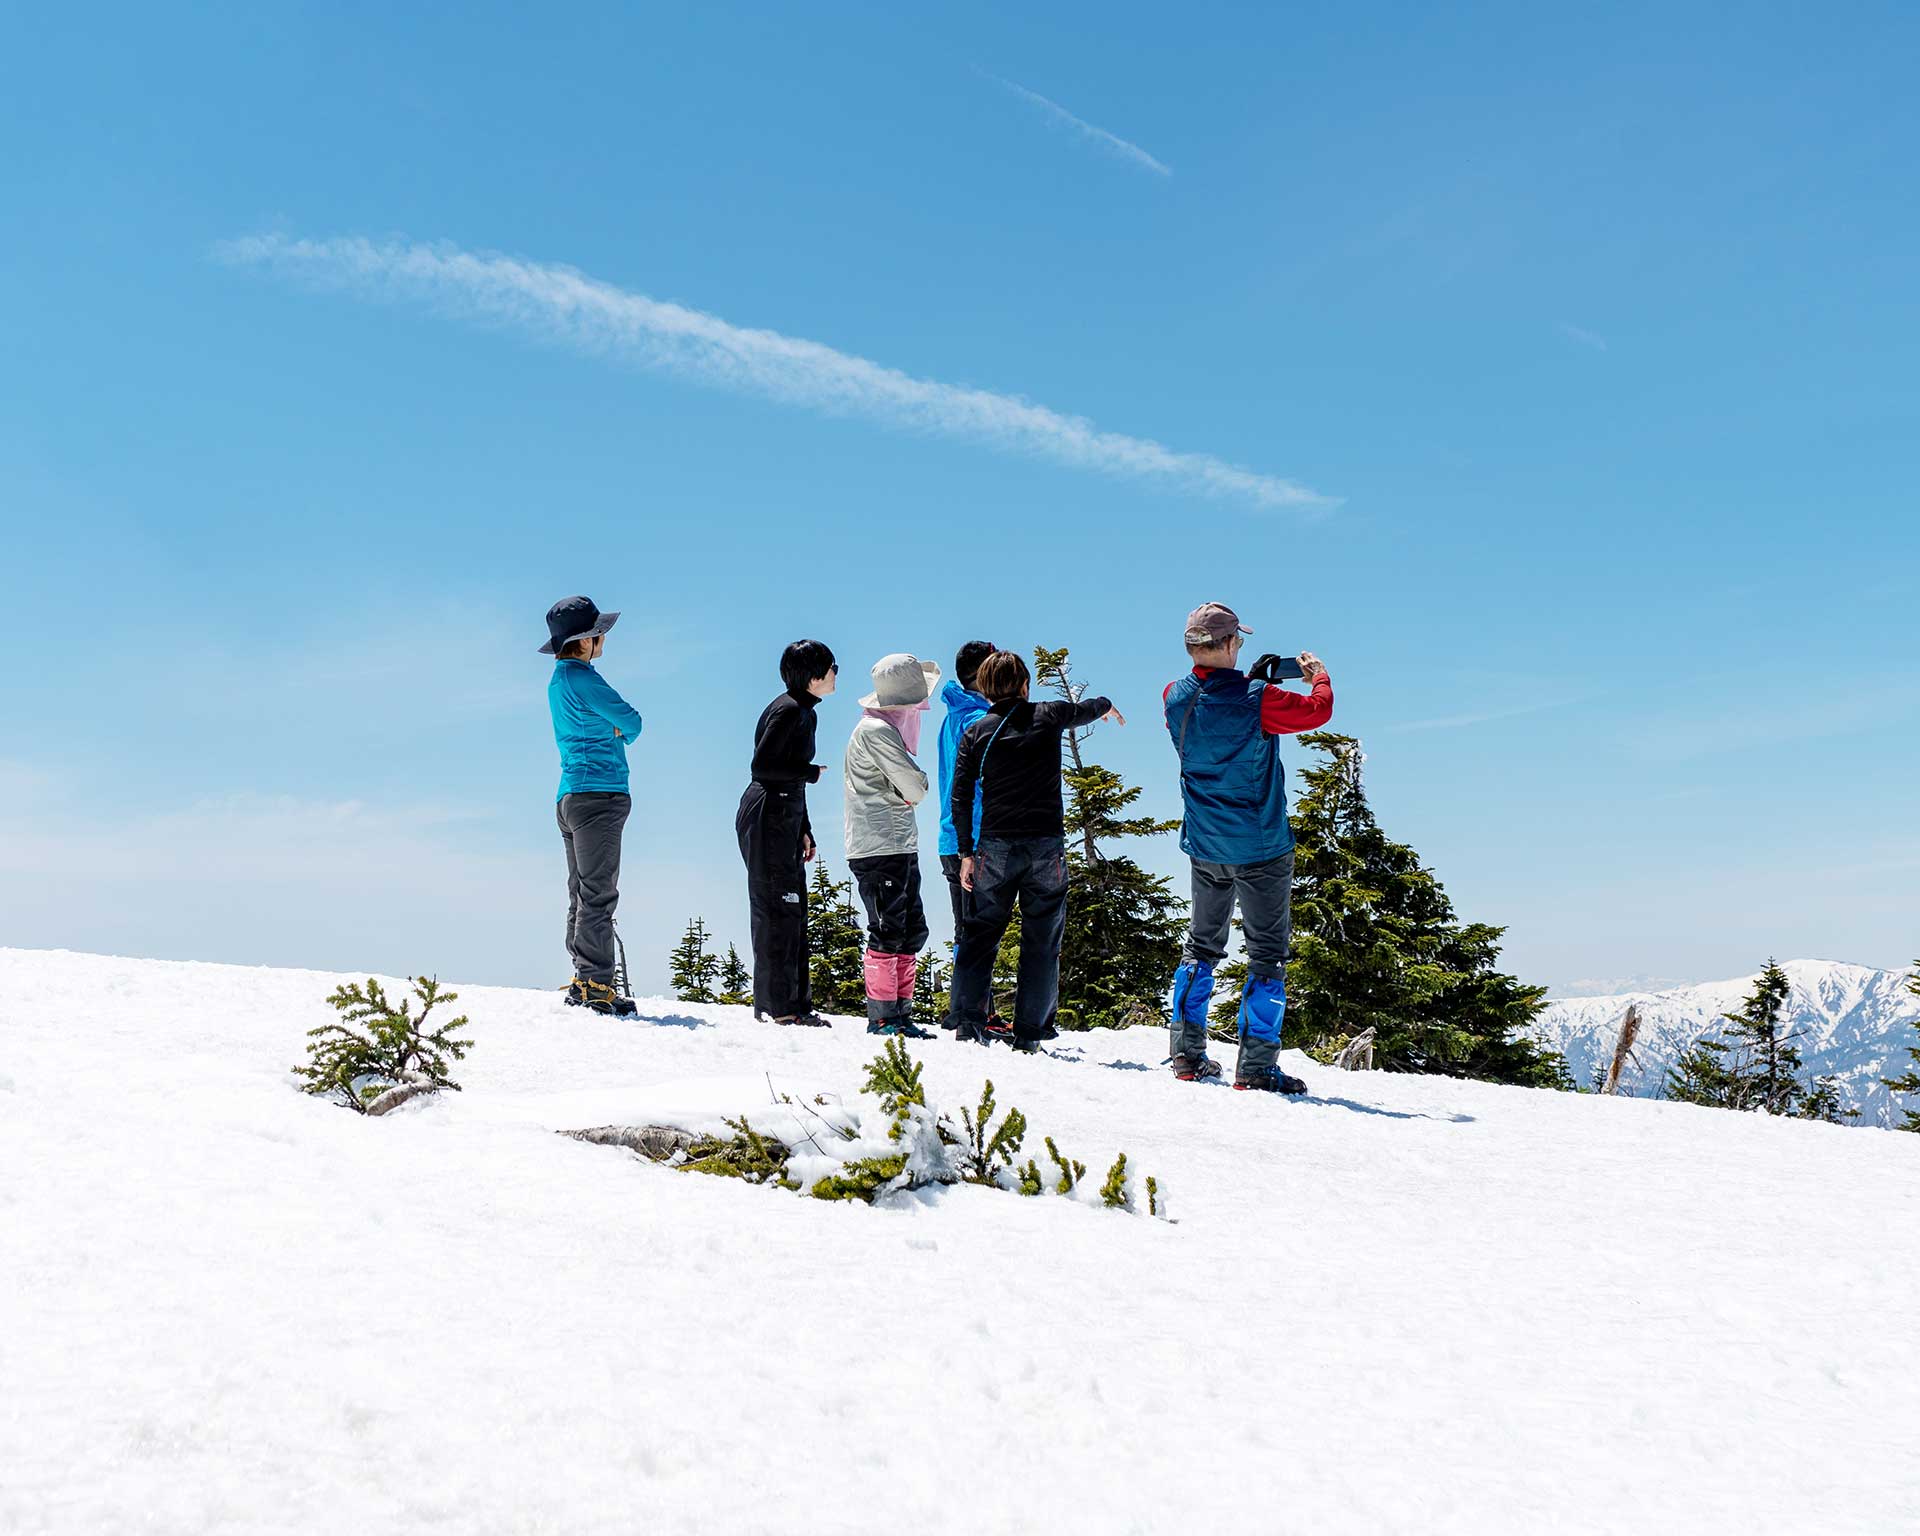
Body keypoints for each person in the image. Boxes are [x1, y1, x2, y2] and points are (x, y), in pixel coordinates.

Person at [1162, 602, 1332, 1093]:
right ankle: (1256, 1067)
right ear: (1231, 643)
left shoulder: (1174, 696)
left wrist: (1249, 680)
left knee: (1200, 946)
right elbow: (1318, 710)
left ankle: (1186, 1054)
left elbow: (1218, 713)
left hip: (1205, 842)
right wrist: (1319, 676)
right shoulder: (1260, 699)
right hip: (1261, 847)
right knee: (1267, 956)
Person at [948, 650, 1123, 1050]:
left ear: (985, 689)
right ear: (1025, 685)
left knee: (980, 935)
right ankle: (1029, 1034)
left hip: (994, 846)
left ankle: (969, 1024)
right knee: (1042, 940)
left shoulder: (976, 732)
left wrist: (966, 853)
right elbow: (1086, 709)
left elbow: (961, 797)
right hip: (1046, 846)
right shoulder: (1049, 714)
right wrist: (1107, 705)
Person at [541, 595, 644, 1016]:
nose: (603, 638)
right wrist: (615, 729)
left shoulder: (559, 681)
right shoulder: (584, 679)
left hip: (570, 795)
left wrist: (610, 726)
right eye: (599, 632)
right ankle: (597, 985)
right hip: (600, 794)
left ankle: (584, 978)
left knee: (581, 892)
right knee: (599, 894)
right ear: (585, 640)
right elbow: (633, 722)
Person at [737, 639, 837, 1026]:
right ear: (813, 676)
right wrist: (810, 773)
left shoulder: (804, 711)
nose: (835, 673)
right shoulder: (789, 709)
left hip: (784, 812)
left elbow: (787, 772)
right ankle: (779, 1008)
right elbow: (762, 766)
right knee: (777, 907)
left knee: (791, 908)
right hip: (768, 812)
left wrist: (805, 828)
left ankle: (794, 1004)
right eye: (831, 667)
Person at [844, 653, 941, 1037]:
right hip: (879, 846)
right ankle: (884, 1017)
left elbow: (909, 789)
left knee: (910, 928)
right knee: (888, 928)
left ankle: (900, 1014)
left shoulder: (881, 727)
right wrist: (914, 786)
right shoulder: (876, 731)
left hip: (895, 843)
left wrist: (909, 789)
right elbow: (915, 787)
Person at [935, 639, 996, 1028]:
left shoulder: (953, 716)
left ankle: (969, 1009)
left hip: (951, 835)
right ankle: (971, 1013)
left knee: (967, 928)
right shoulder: (978, 720)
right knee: (979, 930)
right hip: (974, 837)